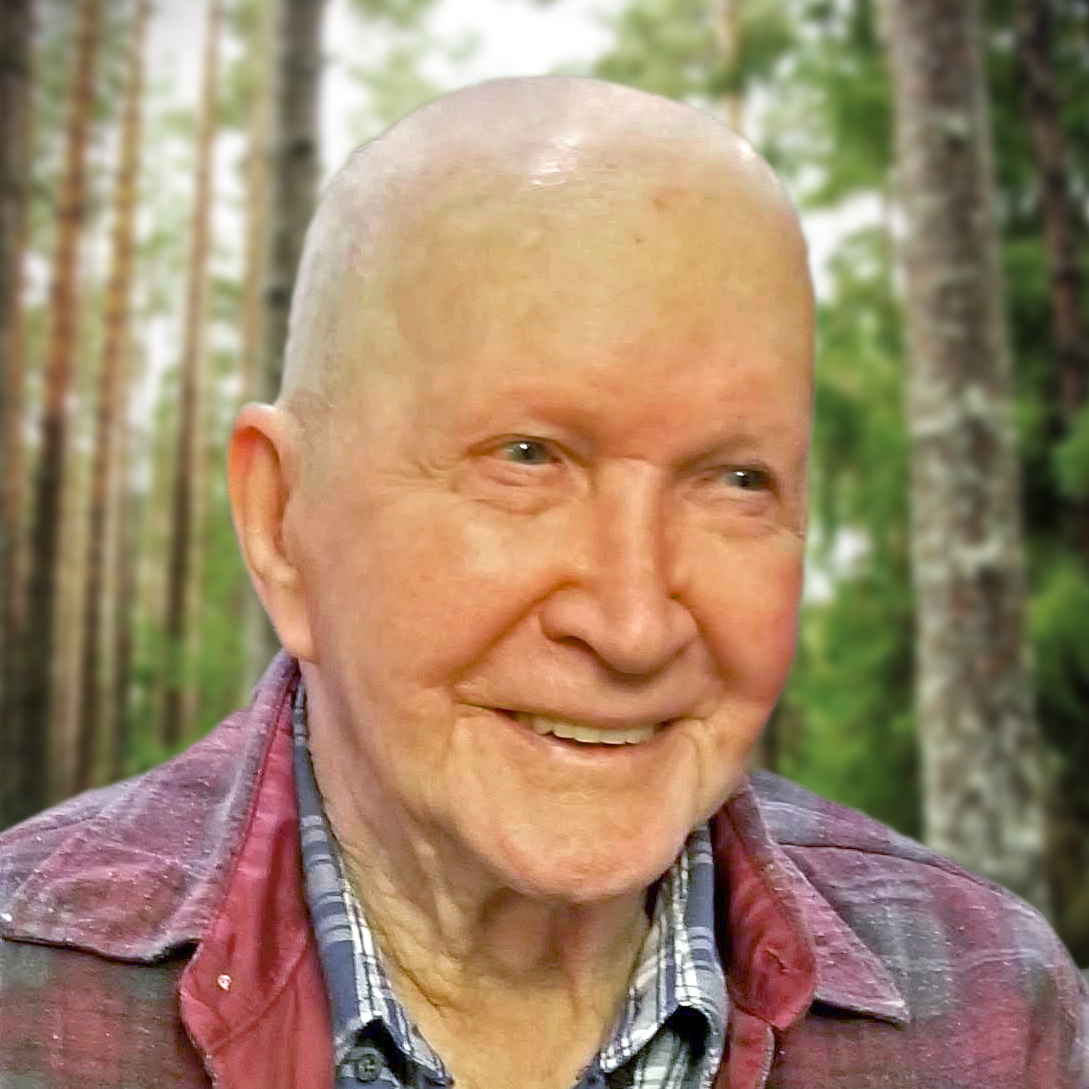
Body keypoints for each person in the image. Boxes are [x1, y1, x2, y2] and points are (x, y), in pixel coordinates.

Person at [0, 76, 1085, 1089]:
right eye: (526, 459)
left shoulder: (993, 1015)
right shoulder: (31, 1002)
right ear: (282, 520)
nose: (631, 624)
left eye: (736, 479)